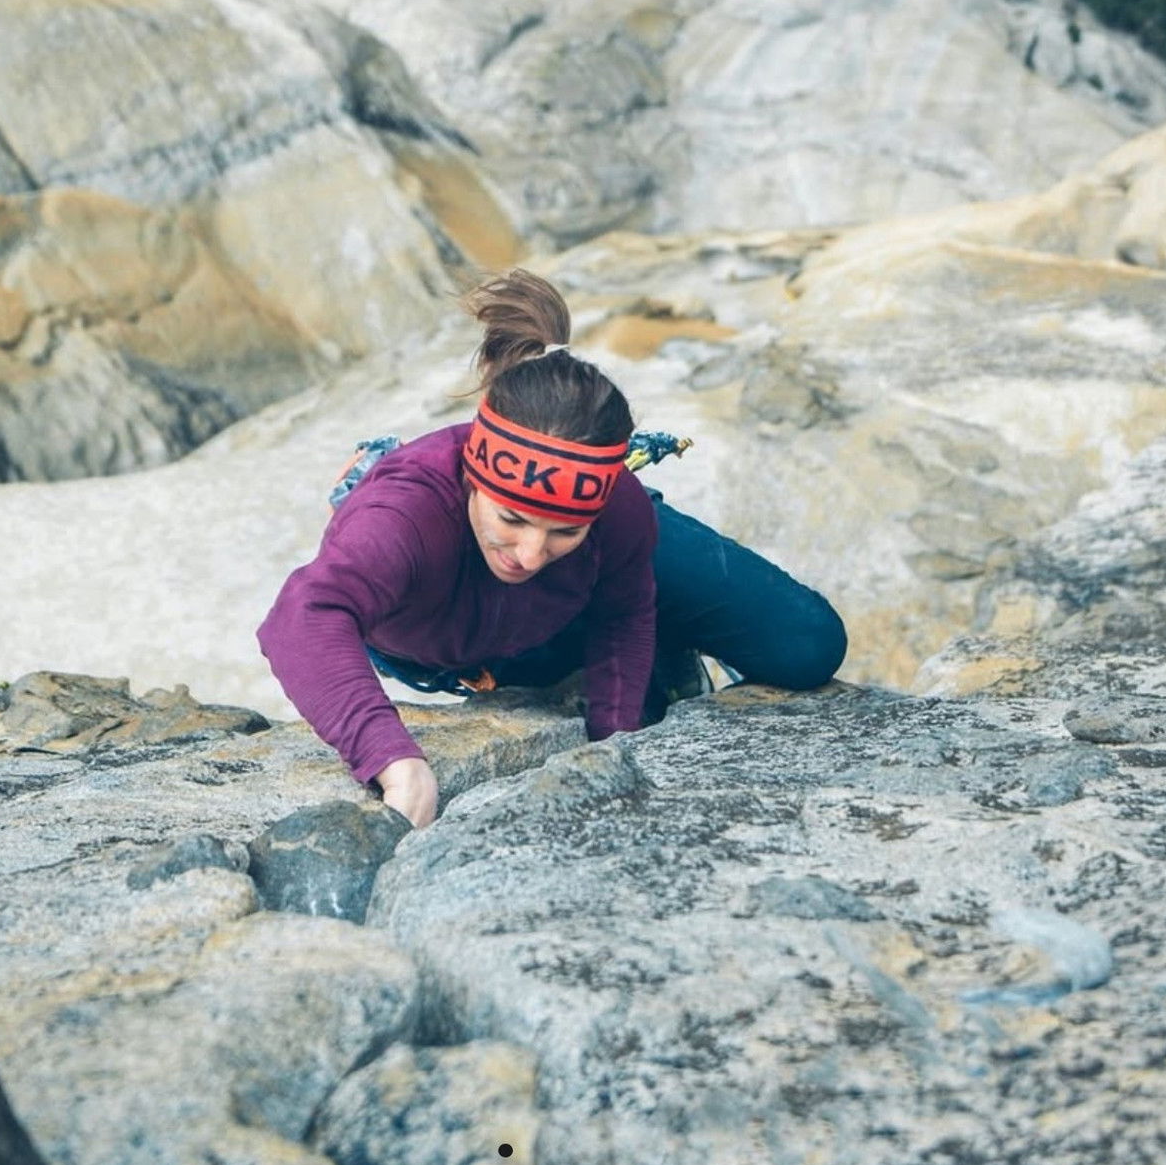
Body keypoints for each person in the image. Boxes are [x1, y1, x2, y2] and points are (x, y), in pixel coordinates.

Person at [257, 270, 846, 828]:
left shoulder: (616, 510)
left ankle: (596, 531)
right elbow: (301, 618)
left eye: (561, 529)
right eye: (512, 518)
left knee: (808, 644)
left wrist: (617, 743)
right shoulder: (403, 519)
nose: (532, 552)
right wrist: (394, 760)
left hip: (606, 549)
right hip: (472, 631)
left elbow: (624, 610)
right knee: (543, 662)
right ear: (475, 477)